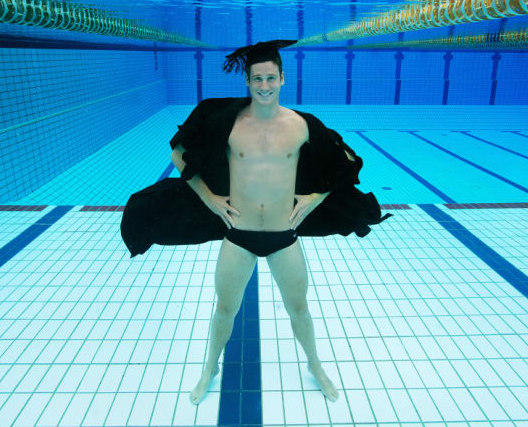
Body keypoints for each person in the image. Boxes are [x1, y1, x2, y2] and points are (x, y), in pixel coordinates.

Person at [120, 40, 392, 405]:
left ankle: (315, 365)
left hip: (285, 236)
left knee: (300, 309)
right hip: (238, 236)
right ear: (247, 82)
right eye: (256, 79)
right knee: (224, 309)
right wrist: (209, 198)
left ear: (282, 78)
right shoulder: (227, 124)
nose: (264, 86)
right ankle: (209, 369)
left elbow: (345, 163)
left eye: (270, 78)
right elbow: (179, 152)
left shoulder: (302, 126)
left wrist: (316, 197)